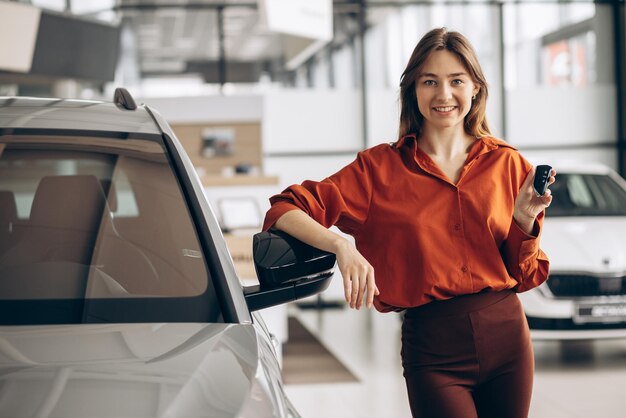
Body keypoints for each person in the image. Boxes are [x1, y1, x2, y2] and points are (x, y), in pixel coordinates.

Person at [262, 27, 556, 418]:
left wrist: (523, 220)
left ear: (476, 90)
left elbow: (524, 276)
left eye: (456, 81)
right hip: (434, 350)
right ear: (413, 90)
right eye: (429, 81)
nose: (443, 95)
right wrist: (340, 246)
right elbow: (284, 209)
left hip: (508, 338)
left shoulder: (508, 164)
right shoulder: (377, 170)